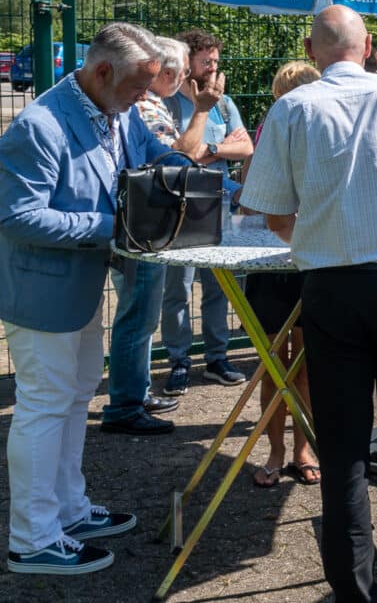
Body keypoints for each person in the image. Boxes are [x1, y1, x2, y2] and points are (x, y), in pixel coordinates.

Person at [240, 5, 377, 603]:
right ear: (367, 48)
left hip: (330, 288)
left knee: (342, 451)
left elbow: (273, 212)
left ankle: (355, 593)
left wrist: (316, 235)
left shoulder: (291, 108)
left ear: (313, 52)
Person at [0, 22, 168, 575]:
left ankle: (68, 510)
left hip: (78, 288)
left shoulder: (117, 112)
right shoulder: (40, 124)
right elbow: (18, 216)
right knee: (44, 407)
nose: (146, 96)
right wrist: (112, 224)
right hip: (43, 294)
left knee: (74, 399)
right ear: (101, 72)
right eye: (138, 86)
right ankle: (32, 538)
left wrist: (231, 189)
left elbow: (155, 160)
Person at [100, 36, 219, 436]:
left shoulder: (142, 106)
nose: (183, 78)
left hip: (145, 227)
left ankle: (135, 393)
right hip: (144, 229)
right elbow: (179, 158)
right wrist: (202, 111)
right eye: (183, 71)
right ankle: (125, 405)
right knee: (137, 319)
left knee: (140, 318)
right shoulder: (147, 107)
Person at [238, 60, 322, 488]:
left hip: (307, 261)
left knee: (302, 366)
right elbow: (253, 202)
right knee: (275, 366)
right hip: (273, 261)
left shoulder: (326, 134)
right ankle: (276, 450)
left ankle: (303, 449)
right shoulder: (267, 132)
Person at [159, 28, 252, 395]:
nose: (213, 68)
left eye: (216, 60)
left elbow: (245, 148)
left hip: (221, 207)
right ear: (188, 64)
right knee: (177, 289)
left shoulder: (225, 104)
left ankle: (216, 357)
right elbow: (181, 153)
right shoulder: (166, 105)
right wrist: (215, 149)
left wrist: (210, 147)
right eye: (206, 61)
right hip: (179, 212)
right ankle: (179, 360)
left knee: (220, 286)